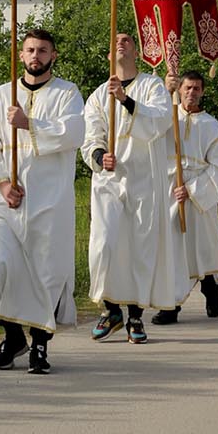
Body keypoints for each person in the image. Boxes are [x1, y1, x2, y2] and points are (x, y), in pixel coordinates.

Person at [0, 27, 85, 374]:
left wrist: (29, 123)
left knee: (45, 273)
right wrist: (4, 184)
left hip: (49, 200)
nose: (35, 56)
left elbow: (74, 133)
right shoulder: (1, 95)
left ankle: (40, 344)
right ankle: (13, 336)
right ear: (20, 55)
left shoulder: (67, 94)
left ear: (53, 55)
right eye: (29, 50)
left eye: (42, 50)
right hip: (6, 201)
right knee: (2, 268)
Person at [83, 32, 176, 345]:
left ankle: (135, 315)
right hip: (109, 179)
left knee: (139, 245)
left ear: (136, 50)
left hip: (143, 178)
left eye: (126, 40)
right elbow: (91, 136)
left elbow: (161, 121)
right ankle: (111, 309)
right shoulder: (97, 96)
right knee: (105, 244)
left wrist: (125, 99)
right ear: (109, 55)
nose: (119, 44)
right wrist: (98, 155)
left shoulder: (151, 86)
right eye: (114, 42)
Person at [151, 68, 218, 326]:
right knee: (171, 248)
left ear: (203, 92)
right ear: (180, 90)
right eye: (187, 88)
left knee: (201, 247)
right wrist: (164, 90)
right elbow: (148, 131)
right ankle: (172, 304)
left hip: (198, 193)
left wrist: (193, 189)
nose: (192, 93)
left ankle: (210, 286)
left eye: (197, 88)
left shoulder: (211, 124)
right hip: (169, 188)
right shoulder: (167, 117)